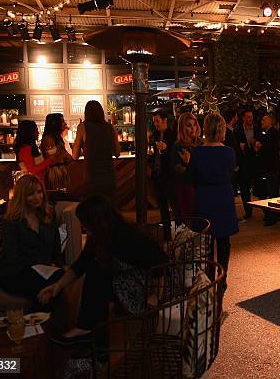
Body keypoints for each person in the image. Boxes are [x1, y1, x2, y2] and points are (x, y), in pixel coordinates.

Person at [38, 195, 168, 344]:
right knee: (95, 267)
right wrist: (57, 286)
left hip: (137, 289)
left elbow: (162, 263)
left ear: (97, 221)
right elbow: (80, 265)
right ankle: (91, 334)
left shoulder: (128, 237)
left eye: (85, 223)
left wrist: (156, 296)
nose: (83, 227)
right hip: (122, 283)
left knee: (98, 271)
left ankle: (86, 328)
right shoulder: (100, 237)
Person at [189, 113, 239, 294]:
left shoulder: (197, 152)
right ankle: (222, 277)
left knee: (207, 240)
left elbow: (191, 177)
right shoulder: (229, 152)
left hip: (204, 196)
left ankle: (209, 275)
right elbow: (232, 174)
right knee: (224, 241)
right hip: (223, 195)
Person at [0, 174, 64, 308]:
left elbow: (56, 245)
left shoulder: (48, 215)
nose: (37, 197)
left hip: (43, 269)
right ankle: (41, 323)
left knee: (61, 278)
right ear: (22, 197)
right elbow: (12, 257)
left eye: (39, 192)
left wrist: (57, 265)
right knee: (46, 287)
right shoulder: (11, 221)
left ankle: (35, 322)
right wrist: (40, 267)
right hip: (16, 272)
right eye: (31, 194)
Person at [72, 100, 121, 200]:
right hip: (109, 175)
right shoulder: (110, 127)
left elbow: (75, 155)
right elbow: (117, 153)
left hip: (91, 176)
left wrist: (84, 148)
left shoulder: (82, 127)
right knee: (108, 206)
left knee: (93, 208)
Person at [149, 109, 176, 238]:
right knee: (163, 208)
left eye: (157, 121)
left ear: (165, 121)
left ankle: (179, 234)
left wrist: (167, 148)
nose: (156, 124)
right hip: (157, 175)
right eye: (154, 122)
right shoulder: (153, 136)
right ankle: (167, 235)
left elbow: (176, 155)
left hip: (169, 176)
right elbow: (152, 156)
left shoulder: (172, 135)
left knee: (175, 207)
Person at [170, 112, 200, 218]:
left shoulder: (199, 143)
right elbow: (177, 171)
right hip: (186, 187)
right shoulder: (178, 146)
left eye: (194, 125)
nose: (193, 128)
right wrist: (186, 163)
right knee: (188, 218)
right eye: (189, 125)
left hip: (199, 186)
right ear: (182, 128)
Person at [255, 113, 280, 226]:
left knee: (272, 192)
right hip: (270, 167)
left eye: (264, 120)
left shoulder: (273, 133)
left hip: (271, 167)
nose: (262, 121)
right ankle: (275, 215)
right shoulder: (268, 133)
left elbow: (270, 150)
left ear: (270, 121)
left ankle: (273, 217)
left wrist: (260, 147)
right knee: (271, 191)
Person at [234, 109, 257, 220]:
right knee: (244, 188)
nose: (250, 119)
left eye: (251, 117)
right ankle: (248, 210)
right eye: (248, 117)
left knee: (259, 186)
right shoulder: (238, 130)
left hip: (254, 161)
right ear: (243, 118)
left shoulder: (256, 129)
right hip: (243, 162)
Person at [41, 113, 73, 192]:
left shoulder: (58, 138)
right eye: (62, 121)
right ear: (55, 124)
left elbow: (67, 156)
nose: (65, 124)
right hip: (54, 174)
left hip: (61, 171)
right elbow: (52, 160)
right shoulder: (48, 139)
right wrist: (63, 155)